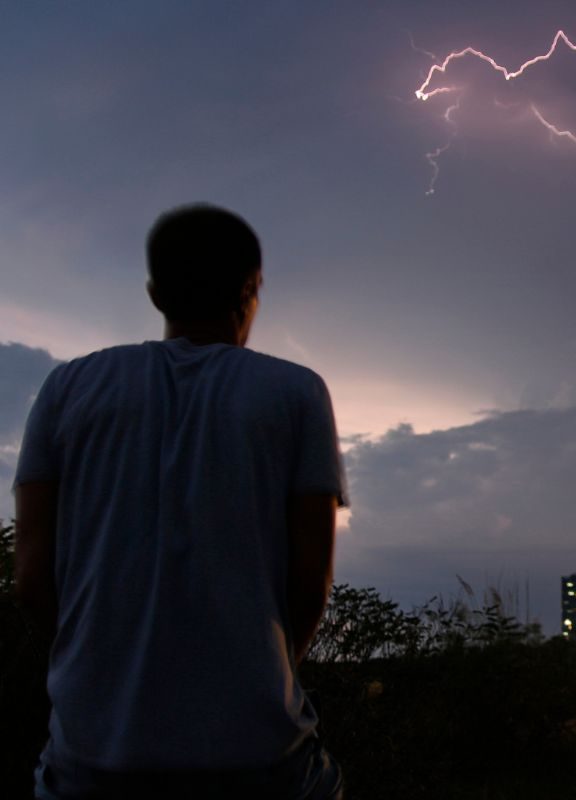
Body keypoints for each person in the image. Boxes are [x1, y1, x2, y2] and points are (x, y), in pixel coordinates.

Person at [12, 204, 347, 799]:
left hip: (90, 760)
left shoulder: (67, 387)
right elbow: (311, 580)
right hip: (259, 759)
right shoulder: (296, 393)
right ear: (251, 289)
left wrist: (100, 670)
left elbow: (32, 578)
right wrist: (270, 670)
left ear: (155, 293)